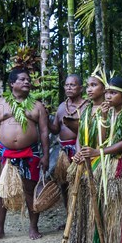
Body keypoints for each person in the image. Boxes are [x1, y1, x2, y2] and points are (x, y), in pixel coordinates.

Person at [0, 66, 49, 240]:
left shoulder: (37, 106)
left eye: (28, 80)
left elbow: (43, 132)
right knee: (1, 190)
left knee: (30, 190)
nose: (27, 82)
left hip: (30, 153)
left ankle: (33, 228)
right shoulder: (0, 104)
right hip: (6, 153)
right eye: (22, 79)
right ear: (12, 83)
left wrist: (46, 155)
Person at [76, 76, 122, 243]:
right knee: (100, 206)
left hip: (119, 163)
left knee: (118, 210)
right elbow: (102, 139)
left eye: (113, 92)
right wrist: (102, 119)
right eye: (107, 92)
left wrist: (98, 153)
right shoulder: (106, 113)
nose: (108, 96)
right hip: (102, 161)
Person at [69, 71, 106, 243]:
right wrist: (78, 153)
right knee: (86, 204)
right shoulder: (85, 110)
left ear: (104, 88)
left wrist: (95, 153)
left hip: (101, 160)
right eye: (88, 85)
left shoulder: (108, 110)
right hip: (85, 159)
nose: (90, 89)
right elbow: (79, 135)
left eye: (94, 85)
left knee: (100, 204)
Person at [49, 74, 86, 202]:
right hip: (63, 152)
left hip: (79, 150)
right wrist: (45, 118)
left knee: (79, 184)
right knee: (64, 183)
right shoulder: (61, 106)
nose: (69, 87)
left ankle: (80, 218)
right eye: (67, 85)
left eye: (73, 85)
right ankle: (69, 217)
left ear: (81, 88)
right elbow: (56, 129)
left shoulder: (87, 106)